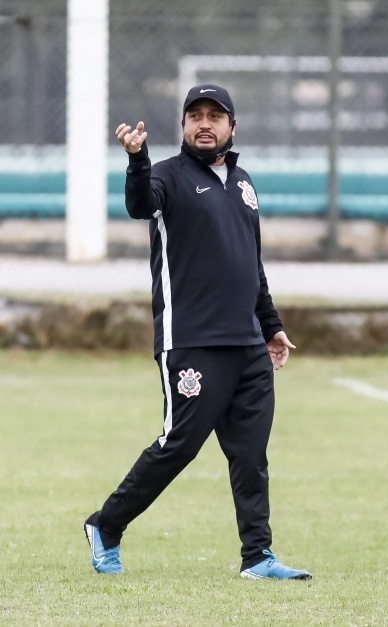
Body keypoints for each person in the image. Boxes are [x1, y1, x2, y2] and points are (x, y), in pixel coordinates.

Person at [84, 84, 312, 578]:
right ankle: (106, 525)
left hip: (248, 344)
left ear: (233, 127)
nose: (204, 123)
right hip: (190, 341)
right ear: (184, 125)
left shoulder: (244, 182)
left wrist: (270, 326)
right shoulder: (165, 175)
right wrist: (136, 159)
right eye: (195, 116)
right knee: (179, 445)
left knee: (250, 455)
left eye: (215, 116)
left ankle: (258, 557)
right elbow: (140, 204)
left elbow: (251, 263)